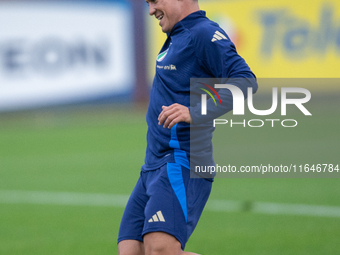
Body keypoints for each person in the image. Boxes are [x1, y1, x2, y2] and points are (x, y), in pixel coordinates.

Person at [118, 0, 257, 254]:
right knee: (130, 249)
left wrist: (195, 112)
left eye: (154, 1)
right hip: (152, 166)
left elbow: (246, 82)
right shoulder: (177, 34)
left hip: (183, 161)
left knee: (159, 249)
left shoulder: (202, 33)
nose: (150, 10)